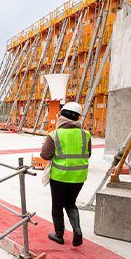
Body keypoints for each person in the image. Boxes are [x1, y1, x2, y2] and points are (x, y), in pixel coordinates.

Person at [40, 102, 91, 247]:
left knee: (57, 206)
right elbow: (88, 154)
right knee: (70, 203)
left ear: (62, 115)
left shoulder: (55, 134)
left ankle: (59, 235)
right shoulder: (86, 134)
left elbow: (45, 155)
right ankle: (77, 231)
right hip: (79, 177)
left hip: (59, 177)